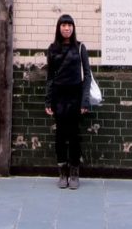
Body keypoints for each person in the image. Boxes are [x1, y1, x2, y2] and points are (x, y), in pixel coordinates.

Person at [45, 13, 92, 189]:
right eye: (63, 25)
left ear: (73, 28)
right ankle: (62, 172)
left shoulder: (80, 48)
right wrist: (48, 101)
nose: (67, 28)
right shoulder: (52, 49)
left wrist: (84, 101)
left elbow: (87, 75)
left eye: (69, 25)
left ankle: (74, 173)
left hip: (75, 96)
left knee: (73, 136)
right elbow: (49, 76)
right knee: (59, 136)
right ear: (59, 28)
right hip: (58, 96)